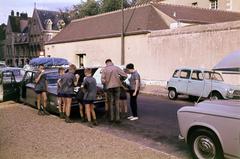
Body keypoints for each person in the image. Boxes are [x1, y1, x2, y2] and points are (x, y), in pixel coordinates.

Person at [101, 59, 127, 123]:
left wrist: (106, 83)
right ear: (111, 62)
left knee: (111, 102)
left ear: (106, 63)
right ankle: (117, 118)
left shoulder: (105, 69)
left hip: (109, 87)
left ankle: (111, 118)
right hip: (117, 86)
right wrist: (120, 80)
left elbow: (102, 80)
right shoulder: (116, 68)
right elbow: (125, 75)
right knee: (117, 102)